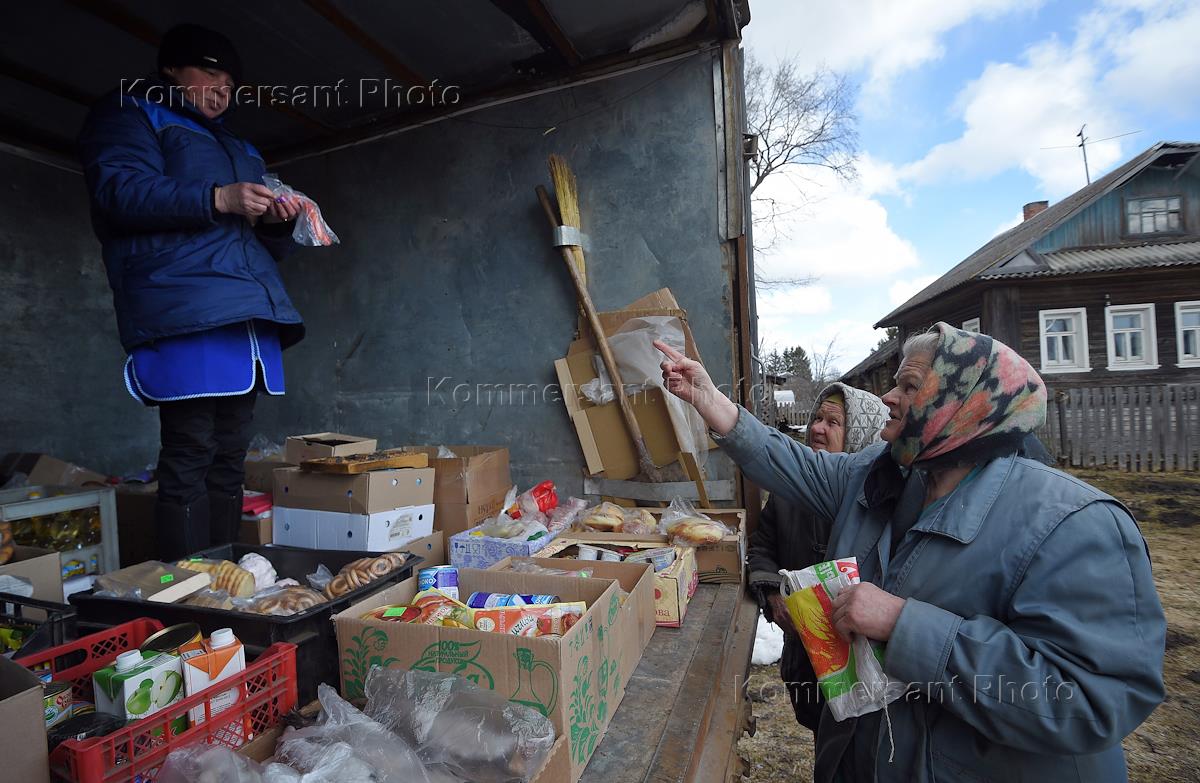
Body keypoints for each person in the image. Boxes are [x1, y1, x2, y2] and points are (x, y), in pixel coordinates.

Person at [655, 324, 1165, 782]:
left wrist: (903, 626)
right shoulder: (882, 475)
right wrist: (708, 399)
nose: (888, 397)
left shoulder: (1073, 523)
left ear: (964, 401)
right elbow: (792, 463)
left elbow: (1092, 699)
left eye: (909, 385)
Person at [78, 24, 306, 560]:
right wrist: (218, 197)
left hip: (246, 314)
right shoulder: (131, 112)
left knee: (230, 457)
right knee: (190, 451)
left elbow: (254, 245)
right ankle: (184, 586)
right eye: (210, 74)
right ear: (171, 70)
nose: (222, 91)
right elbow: (117, 191)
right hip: (184, 306)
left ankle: (226, 581)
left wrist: (276, 223)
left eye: (230, 84)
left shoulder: (240, 147)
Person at [749, 383, 888, 734]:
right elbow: (762, 547)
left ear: (859, 434)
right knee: (819, 732)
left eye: (832, 422)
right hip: (804, 657)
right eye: (817, 418)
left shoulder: (880, 505)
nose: (817, 428)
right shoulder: (788, 494)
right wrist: (773, 594)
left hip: (865, 666)